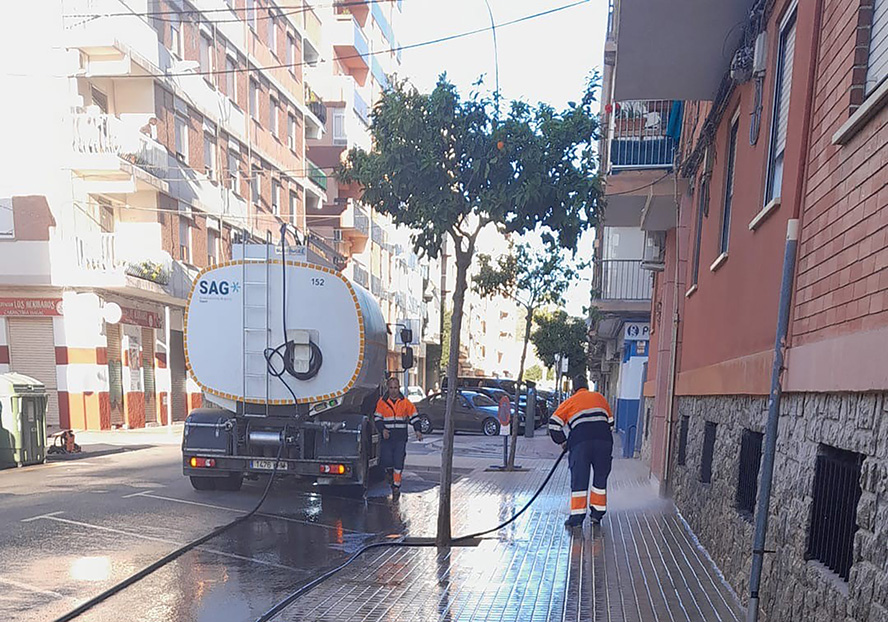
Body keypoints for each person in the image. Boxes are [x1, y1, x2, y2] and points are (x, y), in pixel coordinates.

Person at [548, 374, 614, 528]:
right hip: (604, 442)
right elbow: (610, 423)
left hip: (580, 444)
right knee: (600, 480)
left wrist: (563, 442)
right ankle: (597, 515)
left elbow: (553, 424)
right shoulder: (600, 398)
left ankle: (576, 519)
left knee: (580, 481)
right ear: (588, 386)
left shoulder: (570, 401)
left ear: (573, 389)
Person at [375, 376, 423, 500]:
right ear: (388, 388)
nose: (393, 390)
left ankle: (396, 486)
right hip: (387, 438)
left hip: (400, 438)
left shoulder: (405, 403)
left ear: (399, 388)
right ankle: (390, 476)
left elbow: (414, 416)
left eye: (395, 388)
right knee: (386, 461)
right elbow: (377, 418)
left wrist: (418, 430)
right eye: (391, 388)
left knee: (398, 462)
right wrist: (382, 429)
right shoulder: (382, 402)